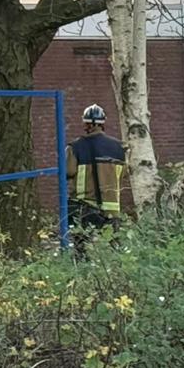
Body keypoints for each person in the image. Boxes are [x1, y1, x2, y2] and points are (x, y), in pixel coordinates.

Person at [66, 104, 127, 257]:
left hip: (84, 205)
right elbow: (124, 173)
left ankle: (81, 268)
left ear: (86, 123)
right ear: (102, 123)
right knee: (115, 247)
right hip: (112, 207)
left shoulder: (75, 147)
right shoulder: (120, 147)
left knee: (80, 248)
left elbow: (69, 172)